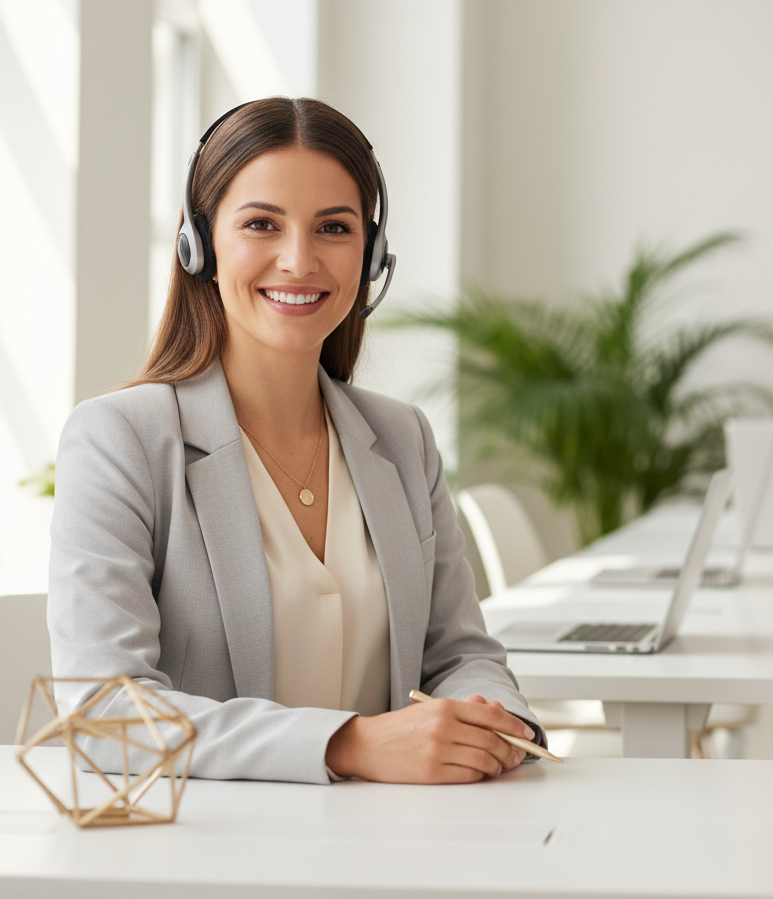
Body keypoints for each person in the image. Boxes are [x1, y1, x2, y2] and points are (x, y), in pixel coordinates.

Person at [48, 97, 544, 785]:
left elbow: (460, 653)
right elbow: (107, 714)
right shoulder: (120, 441)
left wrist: (494, 720)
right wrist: (350, 745)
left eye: (334, 228)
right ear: (200, 246)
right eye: (261, 224)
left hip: (401, 846)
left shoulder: (402, 439)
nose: (299, 259)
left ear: (370, 256)